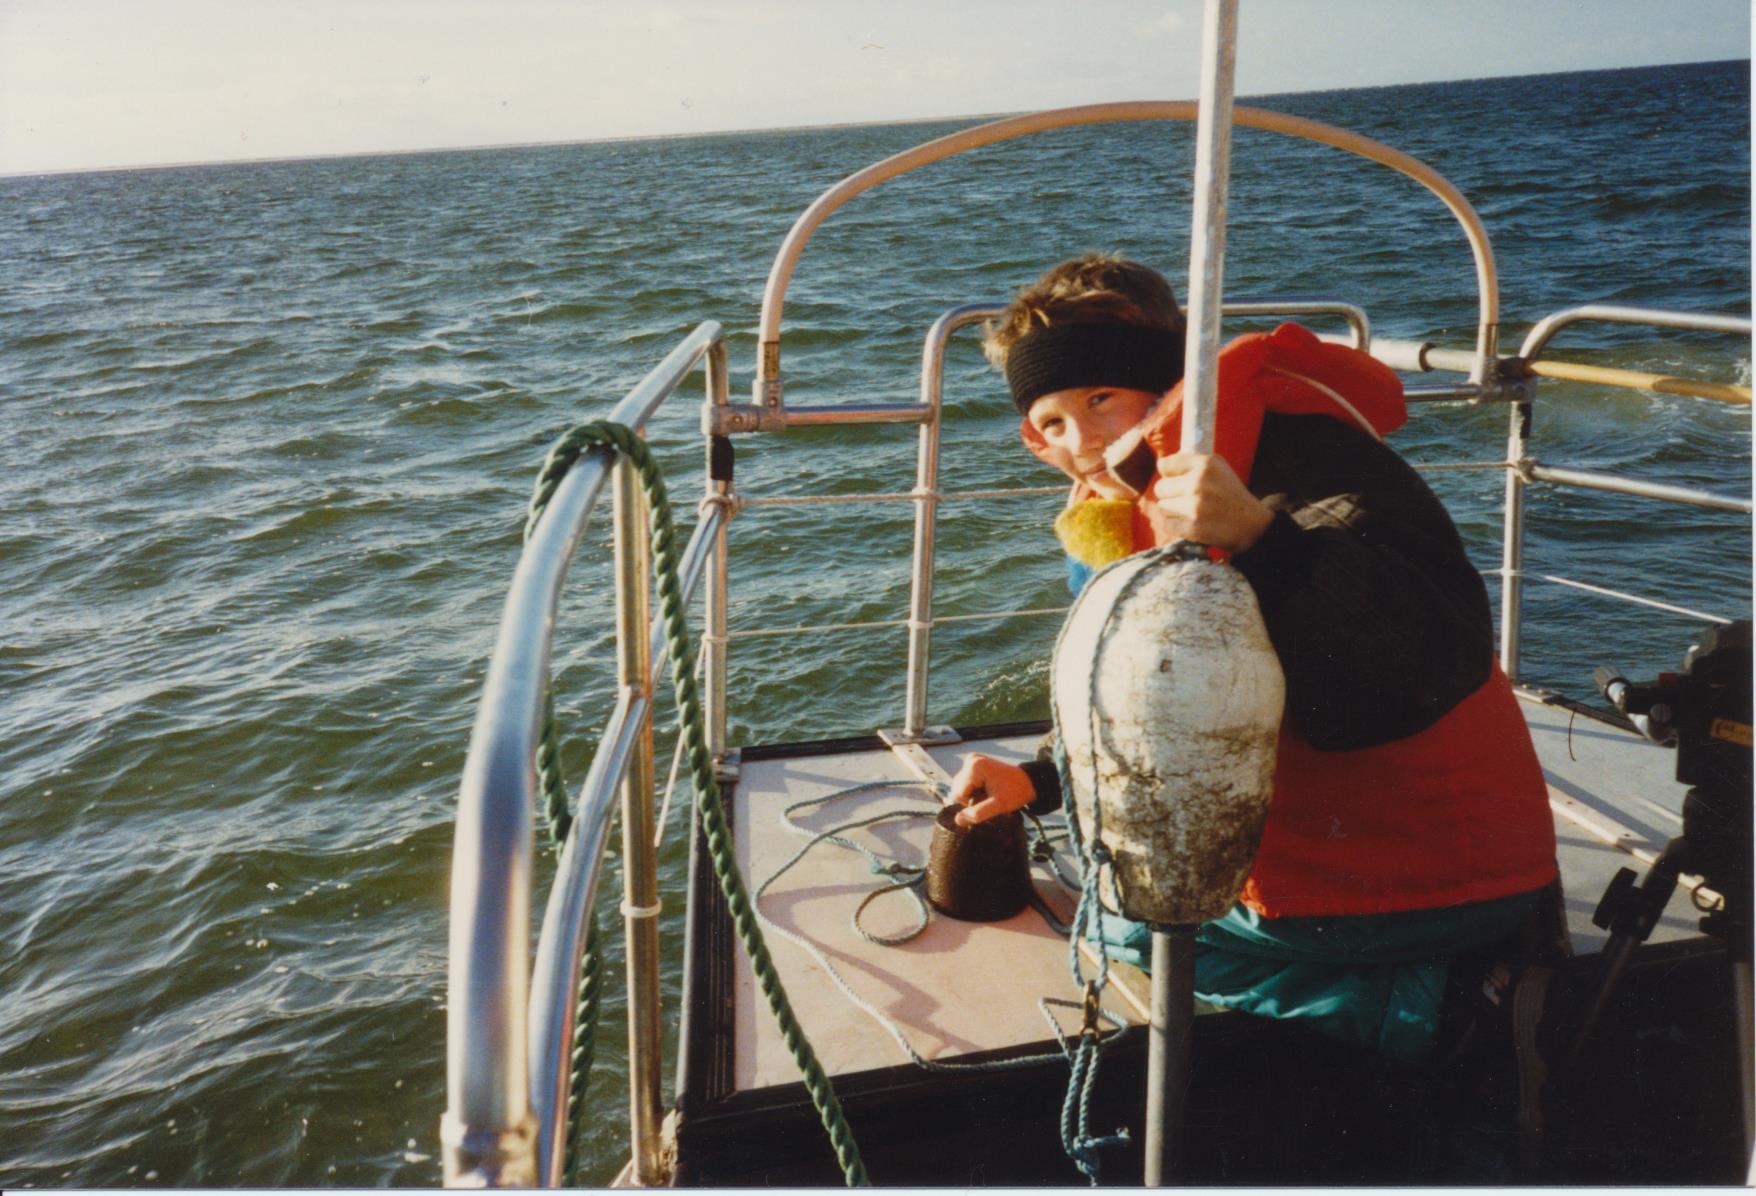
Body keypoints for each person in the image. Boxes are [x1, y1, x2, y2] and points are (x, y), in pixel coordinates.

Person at [950, 252, 1558, 1063]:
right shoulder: (1121, 501)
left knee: (1117, 923)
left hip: (1435, 878)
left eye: (1100, 399)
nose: (1083, 441)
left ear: (1168, 383)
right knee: (1117, 891)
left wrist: (1265, 539)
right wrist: (1043, 778)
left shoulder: (1306, 457)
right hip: (1382, 866)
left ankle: (1439, 1007)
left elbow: (1430, 655)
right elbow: (1145, 699)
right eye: (1052, 423)